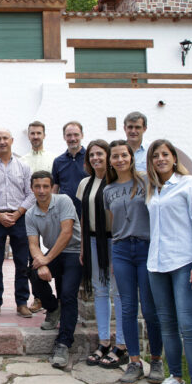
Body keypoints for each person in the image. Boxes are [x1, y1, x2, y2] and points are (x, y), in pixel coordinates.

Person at [144, 139, 192, 384]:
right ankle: (176, 380)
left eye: (164, 154)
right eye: (155, 156)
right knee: (167, 325)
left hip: (184, 263)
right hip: (157, 264)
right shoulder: (152, 189)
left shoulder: (189, 184)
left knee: (188, 325)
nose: (160, 159)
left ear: (174, 158)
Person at [103, 140, 163, 384]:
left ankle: (157, 360)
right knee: (126, 308)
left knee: (149, 308)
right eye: (114, 156)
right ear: (111, 161)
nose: (119, 160)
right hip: (121, 249)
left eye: (123, 155)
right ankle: (134, 362)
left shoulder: (147, 182)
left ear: (131, 157)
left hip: (147, 247)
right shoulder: (108, 191)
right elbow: (112, 224)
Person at [77, 140, 127, 368]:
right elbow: (83, 217)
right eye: (92, 155)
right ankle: (104, 341)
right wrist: (82, 247)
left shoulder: (116, 182)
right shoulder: (84, 183)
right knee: (99, 291)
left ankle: (122, 345)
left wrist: (119, 247)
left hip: (113, 241)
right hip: (92, 241)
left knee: (119, 293)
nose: (96, 158)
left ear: (108, 156)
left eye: (100, 154)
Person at [26, 171, 82, 369]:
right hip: (54, 253)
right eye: (37, 187)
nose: (41, 191)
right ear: (32, 188)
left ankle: (64, 343)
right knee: (32, 272)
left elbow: (67, 233)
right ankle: (52, 308)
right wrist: (40, 263)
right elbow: (33, 244)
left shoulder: (64, 200)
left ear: (52, 187)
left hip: (75, 251)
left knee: (67, 294)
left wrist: (46, 259)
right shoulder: (31, 213)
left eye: (45, 186)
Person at [0, 129, 35, 318]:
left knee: (22, 262)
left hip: (20, 218)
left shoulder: (23, 167)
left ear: (11, 141)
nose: (2, 142)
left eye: (5, 138)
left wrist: (18, 213)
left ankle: (22, 302)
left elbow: (31, 194)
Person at [20, 120, 57, 313]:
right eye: (32, 133)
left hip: (51, 212)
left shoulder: (53, 159)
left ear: (44, 135)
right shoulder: (23, 160)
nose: (35, 136)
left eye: (38, 133)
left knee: (54, 251)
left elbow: (55, 187)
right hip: (30, 213)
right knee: (32, 256)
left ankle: (58, 295)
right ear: (28, 136)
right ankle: (38, 298)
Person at [52, 121, 86, 217]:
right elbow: (55, 188)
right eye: (69, 135)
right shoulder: (58, 161)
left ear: (82, 135)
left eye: (76, 135)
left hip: (87, 210)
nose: (72, 138)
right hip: (65, 212)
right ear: (64, 137)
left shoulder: (90, 158)